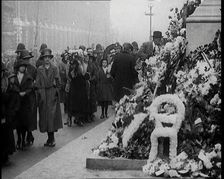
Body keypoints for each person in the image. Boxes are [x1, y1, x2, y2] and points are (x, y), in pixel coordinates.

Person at [35, 48, 63, 147]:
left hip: (51, 94)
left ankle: (52, 138)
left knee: (52, 116)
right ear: (42, 58)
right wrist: (39, 92)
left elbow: (59, 82)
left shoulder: (54, 68)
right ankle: (49, 138)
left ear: (50, 58)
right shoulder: (39, 69)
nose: (47, 59)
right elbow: (37, 83)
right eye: (45, 57)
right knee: (44, 117)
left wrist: (56, 91)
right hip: (43, 94)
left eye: (48, 57)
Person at [1, 66, 19, 166]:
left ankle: (5, 156)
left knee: (5, 134)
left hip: (5, 112)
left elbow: (8, 97)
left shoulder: (5, 82)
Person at [14, 59, 33, 150]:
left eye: (24, 66)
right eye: (21, 66)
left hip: (25, 103)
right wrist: (18, 92)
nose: (22, 68)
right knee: (18, 123)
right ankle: (19, 140)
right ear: (18, 67)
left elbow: (31, 88)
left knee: (25, 123)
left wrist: (25, 93)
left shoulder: (28, 77)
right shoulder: (14, 76)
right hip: (17, 103)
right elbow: (12, 86)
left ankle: (23, 140)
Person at [20, 49, 37, 146]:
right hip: (22, 97)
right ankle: (23, 136)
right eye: (24, 59)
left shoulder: (33, 69)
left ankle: (29, 134)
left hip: (30, 96)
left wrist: (32, 86)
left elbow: (36, 82)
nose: (26, 61)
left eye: (27, 59)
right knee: (22, 117)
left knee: (30, 116)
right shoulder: (18, 68)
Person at [67, 53, 89, 126]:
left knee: (77, 105)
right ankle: (74, 119)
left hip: (77, 90)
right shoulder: (74, 69)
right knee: (74, 105)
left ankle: (77, 119)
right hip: (75, 90)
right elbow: (72, 77)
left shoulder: (78, 68)